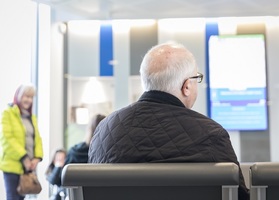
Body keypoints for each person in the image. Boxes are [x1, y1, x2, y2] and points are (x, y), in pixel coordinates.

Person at [88, 42, 250, 200]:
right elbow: (238, 196)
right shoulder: (211, 135)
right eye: (196, 79)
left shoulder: (103, 131)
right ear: (186, 86)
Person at [0, 84, 44, 200]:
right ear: (19, 96)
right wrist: (24, 157)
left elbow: (37, 139)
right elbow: (7, 139)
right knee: (13, 197)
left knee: (21, 197)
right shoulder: (8, 113)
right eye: (26, 96)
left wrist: (37, 157)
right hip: (12, 165)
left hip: (28, 166)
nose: (28, 100)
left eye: (31, 97)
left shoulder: (31, 117)